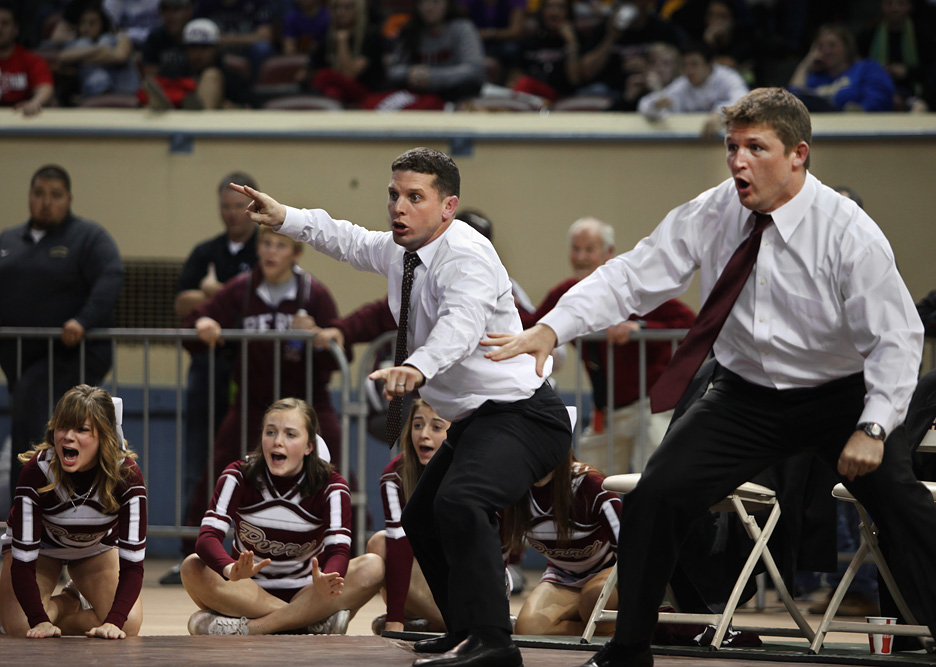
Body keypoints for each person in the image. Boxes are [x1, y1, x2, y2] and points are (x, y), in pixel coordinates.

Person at [484, 87, 936, 667]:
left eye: (756, 148)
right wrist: (553, 327)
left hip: (840, 397)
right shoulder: (715, 210)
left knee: (903, 505)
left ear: (798, 154)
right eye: (731, 147)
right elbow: (633, 275)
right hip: (745, 398)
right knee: (655, 498)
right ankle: (629, 651)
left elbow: (897, 337)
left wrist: (873, 427)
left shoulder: (848, 231)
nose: (738, 161)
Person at [233, 146, 572, 667]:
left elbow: (461, 325)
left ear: (448, 206)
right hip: (478, 417)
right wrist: (286, 217)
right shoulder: (403, 250)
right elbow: (347, 239)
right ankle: (465, 631)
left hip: (524, 414)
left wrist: (418, 367)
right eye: (394, 195)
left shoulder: (467, 256)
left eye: (415, 197)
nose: (398, 207)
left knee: (461, 501)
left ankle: (493, 643)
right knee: (422, 516)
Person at [182, 224, 343, 536]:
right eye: (266, 244)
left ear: (296, 254)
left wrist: (317, 337)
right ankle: (193, 545)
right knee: (218, 467)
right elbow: (193, 323)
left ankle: (345, 544)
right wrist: (203, 323)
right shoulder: (241, 288)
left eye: (280, 246)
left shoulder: (314, 293)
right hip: (253, 402)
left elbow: (339, 355)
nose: (271, 252)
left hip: (308, 402)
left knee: (333, 465)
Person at [181, 397, 383, 635]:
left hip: (308, 590)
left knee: (373, 566)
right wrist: (229, 569)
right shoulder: (238, 474)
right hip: (246, 589)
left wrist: (328, 577)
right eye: (270, 432)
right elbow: (207, 538)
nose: (278, 441)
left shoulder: (332, 486)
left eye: (290, 434)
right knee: (192, 567)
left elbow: (338, 550)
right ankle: (308, 623)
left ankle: (252, 628)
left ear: (309, 446)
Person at [519, 217, 695, 475]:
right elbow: (533, 324)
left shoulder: (631, 288)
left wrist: (640, 327)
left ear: (608, 253)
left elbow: (689, 321)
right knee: (587, 477)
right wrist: (502, 298)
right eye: (576, 249)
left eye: (589, 249)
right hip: (606, 409)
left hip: (650, 406)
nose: (581, 257)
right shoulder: (567, 292)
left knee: (654, 477)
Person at [158, 170, 259, 585]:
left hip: (250, 375)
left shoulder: (266, 248)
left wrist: (213, 294)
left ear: (252, 208)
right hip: (206, 372)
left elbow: (255, 300)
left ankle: (247, 552)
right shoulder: (205, 251)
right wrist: (210, 298)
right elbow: (183, 303)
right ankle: (192, 550)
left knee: (247, 464)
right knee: (197, 463)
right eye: (225, 206)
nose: (232, 213)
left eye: (238, 206)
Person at [0, 164, 124, 504]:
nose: (46, 202)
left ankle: (45, 507)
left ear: (68, 199)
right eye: (39, 194)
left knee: (46, 425)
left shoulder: (88, 237)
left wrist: (82, 320)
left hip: (71, 355)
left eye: (55, 195)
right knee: (26, 422)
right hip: (19, 361)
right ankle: (25, 510)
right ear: (29, 196)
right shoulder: (8, 240)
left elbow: (111, 275)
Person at [0, 385, 147, 639]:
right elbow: (23, 563)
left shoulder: (127, 476)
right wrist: (39, 620)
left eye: (81, 430)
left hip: (95, 550)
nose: (68, 437)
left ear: (105, 436)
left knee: (128, 625)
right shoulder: (37, 472)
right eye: (63, 427)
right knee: (21, 627)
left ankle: (66, 602)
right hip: (41, 552)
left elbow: (133, 566)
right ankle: (67, 602)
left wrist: (113, 622)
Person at [502, 450, 621, 636]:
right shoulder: (512, 489)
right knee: (528, 629)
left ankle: (621, 630)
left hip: (608, 573)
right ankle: (605, 632)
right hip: (563, 577)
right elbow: (497, 561)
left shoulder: (591, 485)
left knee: (595, 596)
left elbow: (631, 553)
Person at [367, 398, 448, 635]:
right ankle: (425, 621)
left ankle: (463, 622)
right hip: (426, 578)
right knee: (380, 543)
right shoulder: (394, 476)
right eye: (417, 425)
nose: (424, 435)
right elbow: (399, 544)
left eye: (436, 427)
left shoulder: (468, 470)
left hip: (464, 580)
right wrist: (395, 620)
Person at [382, 0, 486, 109]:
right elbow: (393, 70)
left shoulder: (463, 28)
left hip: (455, 94)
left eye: (435, 2)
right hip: (416, 95)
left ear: (448, 4)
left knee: (469, 88)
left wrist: (432, 77)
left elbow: (474, 69)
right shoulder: (410, 29)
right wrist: (410, 73)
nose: (428, 7)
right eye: (422, 2)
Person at [637, 41, 748, 138]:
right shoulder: (682, 84)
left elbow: (744, 100)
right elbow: (645, 105)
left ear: (710, 64)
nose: (689, 70)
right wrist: (657, 104)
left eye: (694, 64)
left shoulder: (728, 77)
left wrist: (720, 113)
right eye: (685, 65)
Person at [140, 17, 251, 110]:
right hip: (174, 122)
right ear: (185, 49)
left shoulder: (233, 78)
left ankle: (199, 114)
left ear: (216, 48)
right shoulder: (172, 72)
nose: (198, 53)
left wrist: (225, 107)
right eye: (193, 47)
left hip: (212, 127)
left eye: (205, 47)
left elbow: (250, 109)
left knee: (211, 75)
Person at [788, 23, 895, 112]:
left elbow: (879, 99)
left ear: (847, 48)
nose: (826, 51)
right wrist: (805, 66)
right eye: (821, 46)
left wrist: (858, 113)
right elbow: (793, 103)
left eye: (832, 45)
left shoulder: (866, 68)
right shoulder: (815, 78)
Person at [857, 0, 936, 112]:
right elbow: (859, 66)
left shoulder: (923, 33)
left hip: (915, 89)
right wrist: (878, 69)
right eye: (889, 3)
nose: (894, 8)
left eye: (901, 3)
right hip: (877, 87)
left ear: (909, 6)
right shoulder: (868, 33)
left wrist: (907, 72)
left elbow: (930, 68)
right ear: (882, 6)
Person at [305, 0, 386, 108]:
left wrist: (342, 41)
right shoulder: (328, 36)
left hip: (367, 93)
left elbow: (349, 74)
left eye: (347, 7)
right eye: (336, 8)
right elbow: (310, 67)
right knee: (333, 92)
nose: (340, 12)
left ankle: (308, 102)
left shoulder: (371, 35)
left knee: (324, 74)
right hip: (340, 91)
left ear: (358, 10)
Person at [56, 2, 141, 101]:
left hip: (125, 90)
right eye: (83, 23)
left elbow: (120, 56)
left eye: (92, 23)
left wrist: (81, 59)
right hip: (94, 93)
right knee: (83, 43)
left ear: (102, 24)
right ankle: (101, 89)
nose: (86, 27)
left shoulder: (120, 37)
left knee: (106, 39)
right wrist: (99, 49)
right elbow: (63, 56)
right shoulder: (74, 44)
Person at [0, 1, 55, 116]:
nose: (0, 28)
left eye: (5, 23)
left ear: (16, 29)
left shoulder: (31, 60)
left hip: (22, 118)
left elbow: (45, 88)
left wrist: (35, 102)